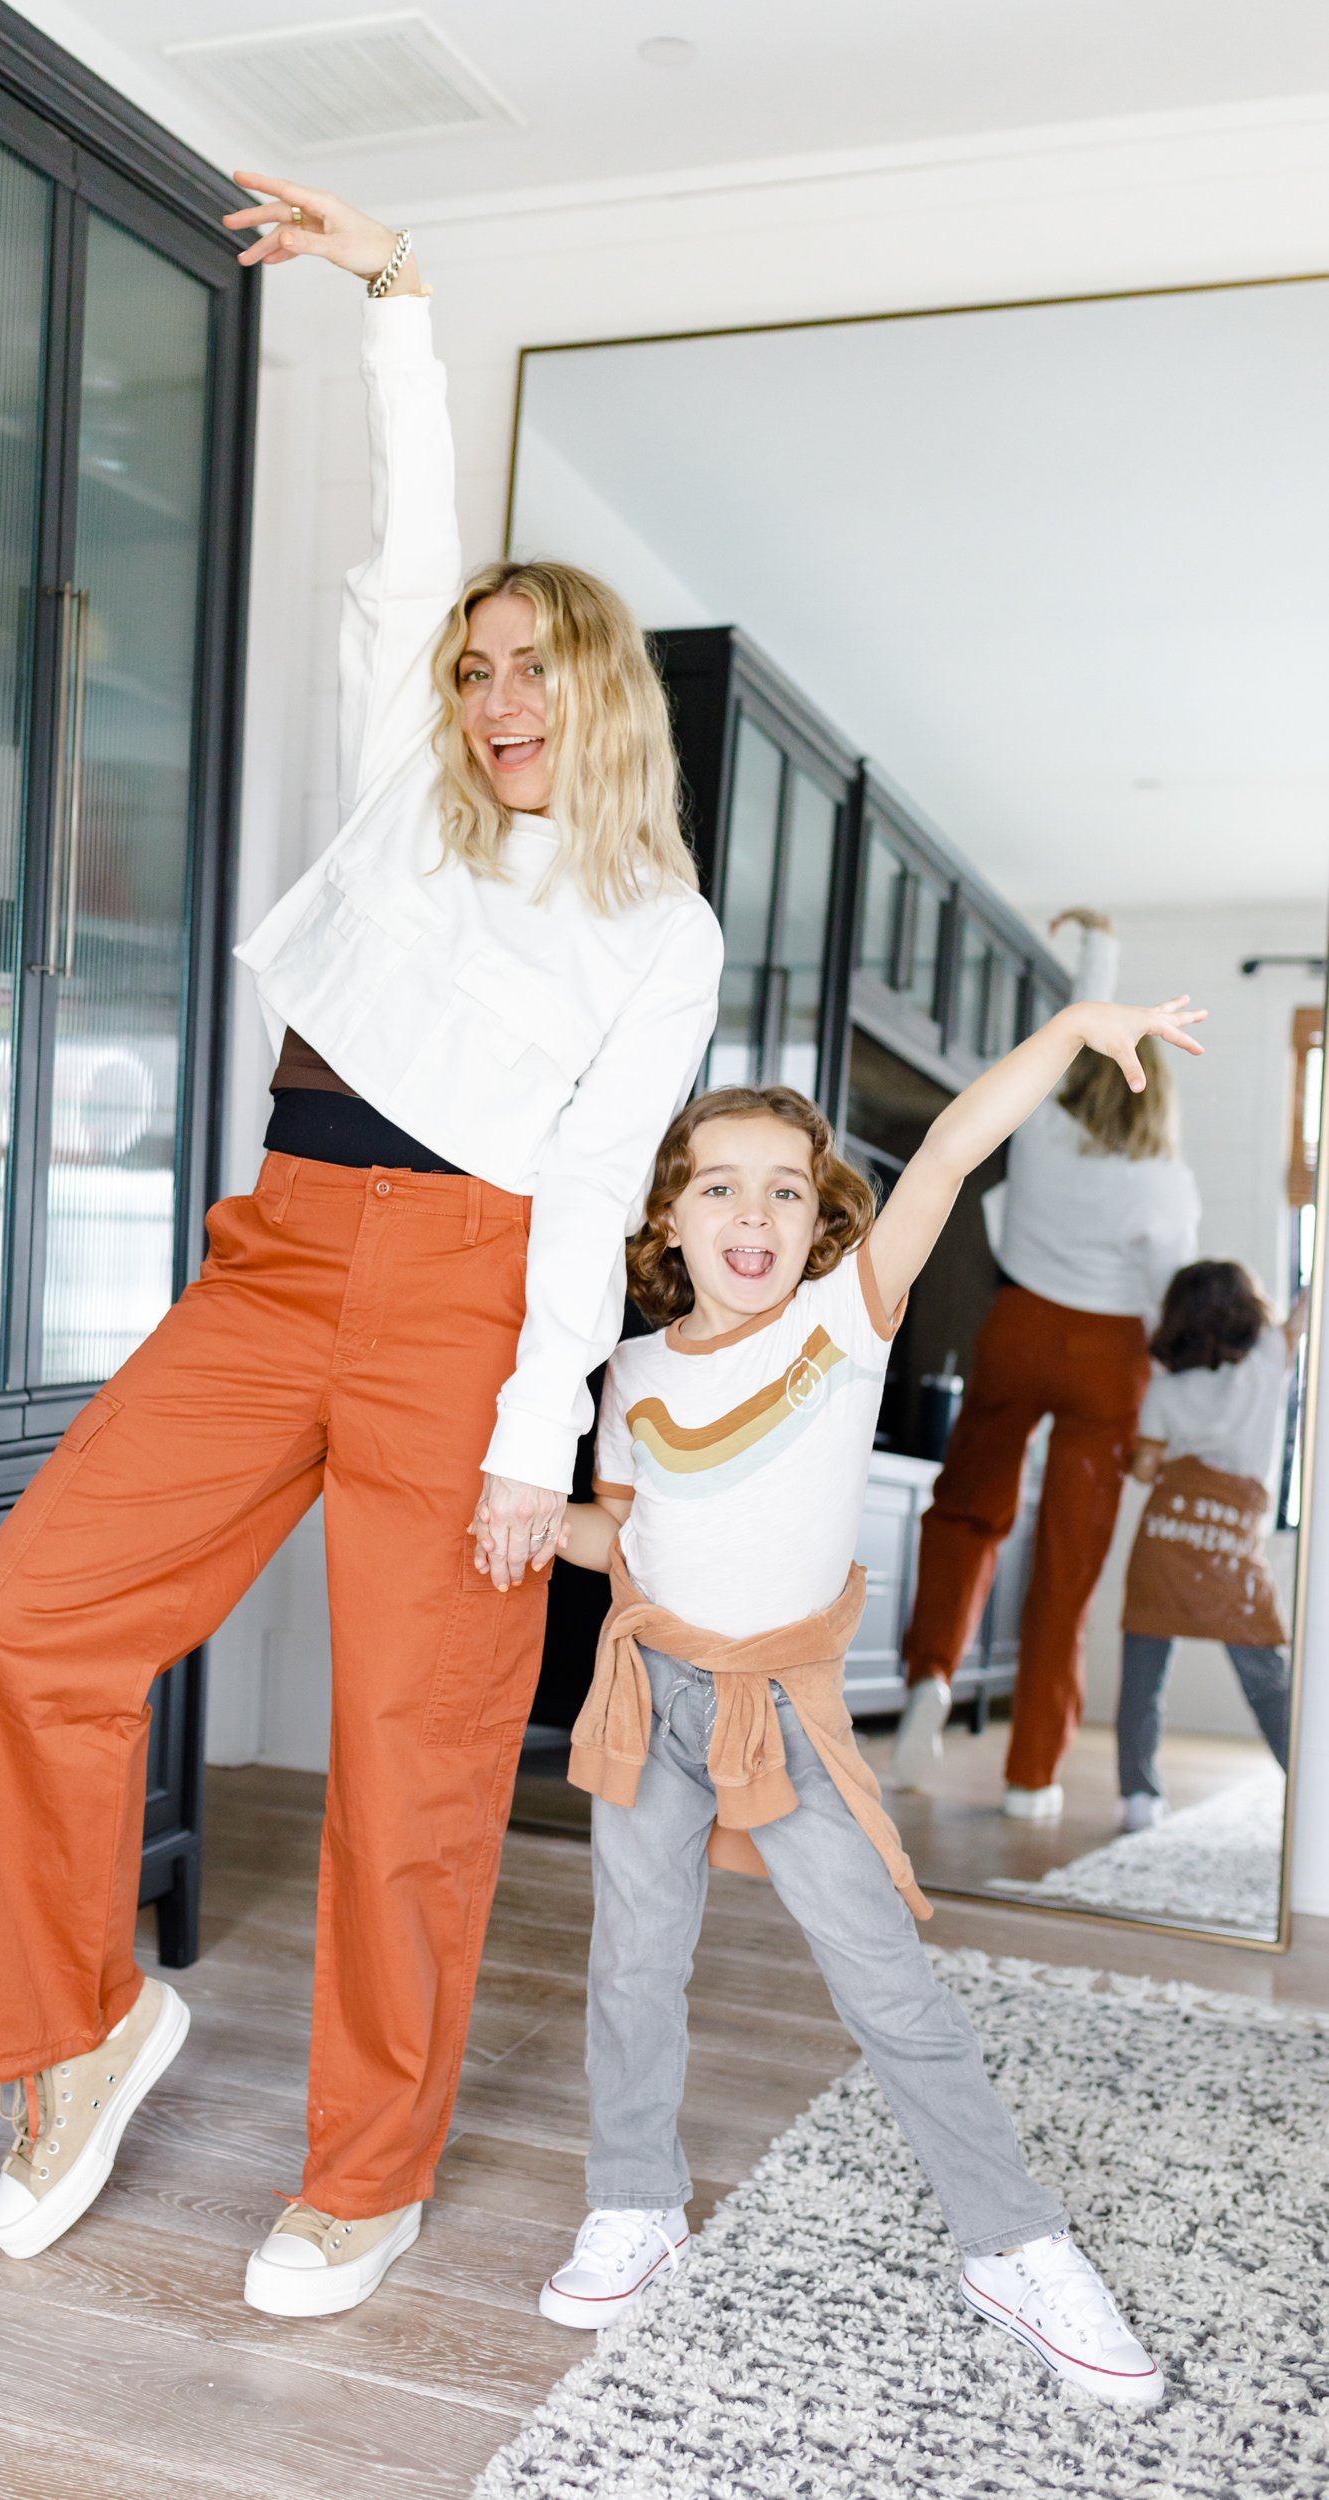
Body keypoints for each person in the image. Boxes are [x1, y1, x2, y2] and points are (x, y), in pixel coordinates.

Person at [0, 176, 723, 2318]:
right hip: (274, 1253)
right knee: (30, 1621)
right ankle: (79, 2025)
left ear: (601, 696)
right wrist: (397, 297)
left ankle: (362, 2167)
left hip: (469, 1307)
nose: (491, 700)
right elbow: (399, 541)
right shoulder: (409, 799)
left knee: (410, 1760)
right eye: (473, 668)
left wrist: (526, 1429)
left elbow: (589, 1193)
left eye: (530, 673)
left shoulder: (655, 928)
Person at [540, 976, 1204, 2405]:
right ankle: (632, 2197)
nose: (754, 1214)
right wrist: (538, 1521)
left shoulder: (844, 1320)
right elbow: (625, 1536)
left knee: (886, 1984)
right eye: (718, 1186)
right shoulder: (631, 1368)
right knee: (631, 1965)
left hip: (778, 1709)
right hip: (643, 1689)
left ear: (821, 1218)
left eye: (786, 1189)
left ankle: (1010, 2241)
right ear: (668, 1220)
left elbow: (958, 1148)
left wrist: (1066, 1034)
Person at [893, 910, 1201, 1817]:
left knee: (965, 1511)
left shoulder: (1034, 1132)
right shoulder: (1164, 1181)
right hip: (1108, 1357)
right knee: (1067, 1563)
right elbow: (1170, 1309)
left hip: (1016, 1328)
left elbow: (1067, 1036)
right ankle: (1031, 1776)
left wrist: (1097, 955)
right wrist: (1157, 1427)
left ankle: (927, 1677)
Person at [1114, 1261, 1305, 1827]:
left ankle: (1138, 1798)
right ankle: (1308, 1786)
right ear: (1248, 1313)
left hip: (1164, 1541)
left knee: (1143, 1678)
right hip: (1230, 1546)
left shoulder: (1166, 1386)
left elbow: (1147, 1470)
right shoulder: (1269, 1357)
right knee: (1266, 1676)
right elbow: (1300, 1316)